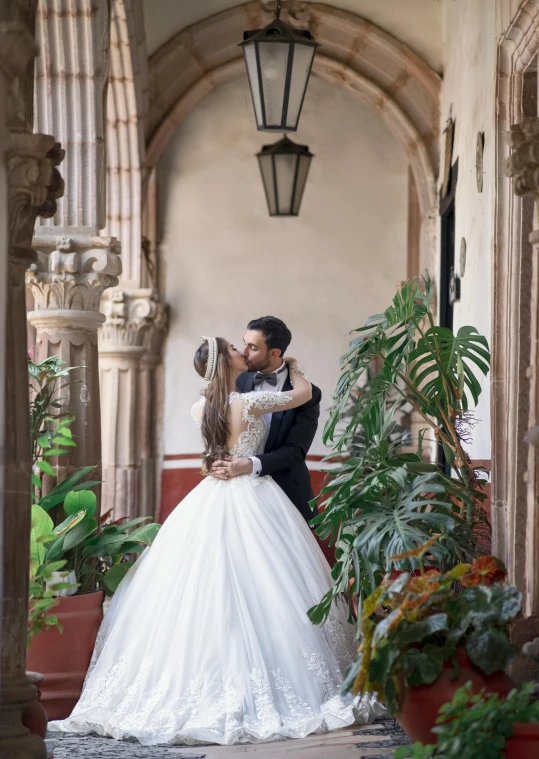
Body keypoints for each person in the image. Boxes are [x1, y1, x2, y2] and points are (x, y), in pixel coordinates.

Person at [49, 336, 382, 747]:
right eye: (234, 349)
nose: (243, 352)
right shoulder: (248, 403)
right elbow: (303, 395)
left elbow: (214, 450)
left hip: (211, 496)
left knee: (205, 586)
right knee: (268, 582)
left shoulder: (199, 407)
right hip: (254, 495)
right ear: (224, 363)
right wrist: (294, 365)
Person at [211, 316, 321, 524]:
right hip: (235, 493)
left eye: (252, 347)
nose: (244, 352)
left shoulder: (308, 393)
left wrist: (248, 465)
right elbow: (217, 428)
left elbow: (296, 450)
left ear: (274, 353)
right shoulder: (238, 379)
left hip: (285, 492)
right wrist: (212, 461)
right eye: (243, 343)